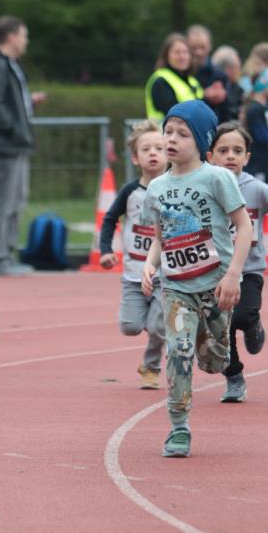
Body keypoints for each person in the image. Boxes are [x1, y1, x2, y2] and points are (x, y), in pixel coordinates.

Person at [142, 100, 252, 457]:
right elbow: (161, 235)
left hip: (216, 286)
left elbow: (244, 226)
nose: (171, 140)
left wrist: (234, 274)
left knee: (214, 359)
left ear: (202, 141)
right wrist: (150, 263)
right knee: (179, 350)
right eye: (168, 131)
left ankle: (223, 356)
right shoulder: (156, 188)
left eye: (182, 134)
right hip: (176, 288)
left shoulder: (217, 177)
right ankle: (178, 428)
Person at [208, 122, 268, 403]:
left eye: (237, 151)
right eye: (223, 150)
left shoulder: (257, 189)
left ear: (247, 157)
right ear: (210, 155)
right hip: (215, 270)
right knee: (221, 327)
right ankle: (234, 378)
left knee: (241, 316)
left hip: (249, 269)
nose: (230, 156)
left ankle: (254, 325)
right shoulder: (205, 188)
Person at [0, 15, 46, 276]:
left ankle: (7, 254)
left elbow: (6, 100)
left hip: (15, 144)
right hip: (3, 144)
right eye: (24, 35)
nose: (26, 41)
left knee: (16, 200)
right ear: (12, 36)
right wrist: (14, 129)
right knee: (2, 201)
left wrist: (27, 105)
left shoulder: (10, 64)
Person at [99, 120, 167, 389]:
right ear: (135, 158)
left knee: (159, 326)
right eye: (146, 149)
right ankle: (158, 329)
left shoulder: (175, 189)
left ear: (169, 153)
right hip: (133, 274)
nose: (153, 153)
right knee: (130, 326)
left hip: (165, 273)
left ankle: (151, 367)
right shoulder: (130, 192)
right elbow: (109, 219)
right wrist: (106, 251)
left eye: (159, 148)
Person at [145, 33, 203, 122]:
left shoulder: (193, 81)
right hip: (164, 133)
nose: (182, 56)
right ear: (166, 56)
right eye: (177, 52)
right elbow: (173, 114)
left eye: (185, 52)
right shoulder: (160, 80)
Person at [186, 24, 229, 117]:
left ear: (210, 46)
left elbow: (225, 111)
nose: (198, 52)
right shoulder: (180, 73)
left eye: (202, 47)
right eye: (193, 48)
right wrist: (205, 96)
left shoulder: (219, 75)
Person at [211, 45, 244, 122]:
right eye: (237, 68)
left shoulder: (238, 89)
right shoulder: (215, 87)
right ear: (228, 69)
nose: (239, 72)